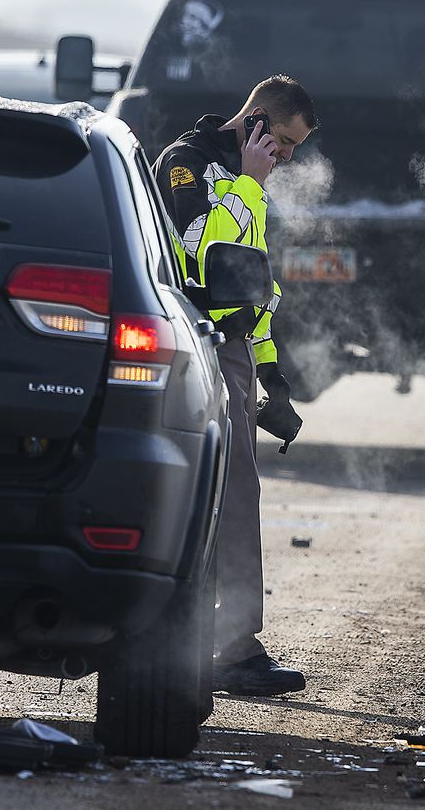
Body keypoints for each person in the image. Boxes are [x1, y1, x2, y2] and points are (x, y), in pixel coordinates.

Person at [152, 74, 315, 697]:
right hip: (199, 349)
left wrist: (271, 373)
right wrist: (248, 182)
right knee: (223, 498)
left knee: (240, 498)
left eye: (294, 147)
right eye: (285, 141)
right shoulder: (188, 165)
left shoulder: (248, 179)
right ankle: (229, 650)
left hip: (236, 353)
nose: (288, 156)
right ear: (256, 122)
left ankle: (232, 645)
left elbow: (251, 282)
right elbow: (200, 251)